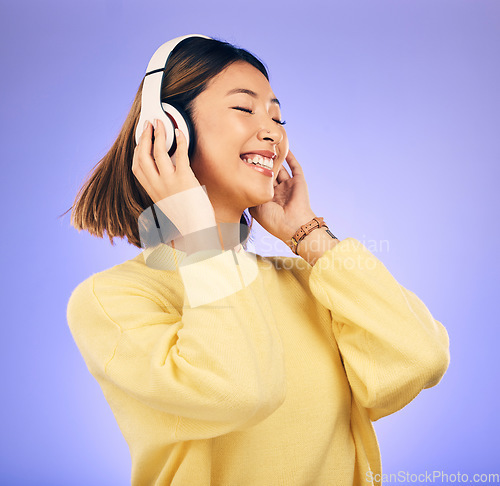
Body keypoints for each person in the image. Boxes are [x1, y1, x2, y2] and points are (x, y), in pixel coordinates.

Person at [66, 35, 450, 486]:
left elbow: (419, 358)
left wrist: (307, 233)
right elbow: (239, 392)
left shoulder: (309, 282)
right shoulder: (114, 299)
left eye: (277, 116)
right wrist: (198, 234)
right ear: (169, 129)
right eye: (244, 109)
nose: (273, 132)